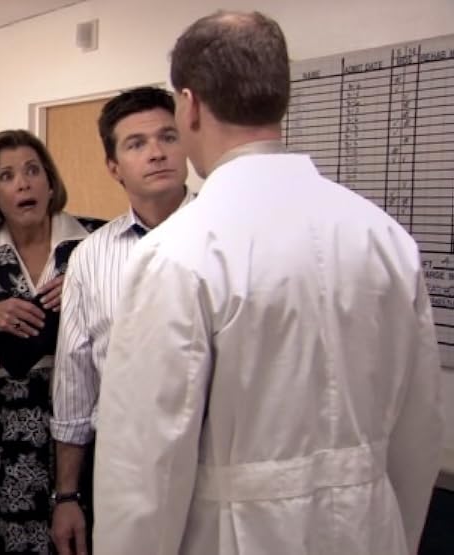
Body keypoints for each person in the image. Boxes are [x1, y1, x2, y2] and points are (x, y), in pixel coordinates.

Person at [93, 11, 445, 555]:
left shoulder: (178, 252)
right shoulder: (383, 237)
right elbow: (419, 431)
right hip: (371, 528)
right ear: (281, 97)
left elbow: (145, 472)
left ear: (189, 105)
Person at [50, 86, 192, 555]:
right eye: (136, 144)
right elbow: (75, 380)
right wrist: (67, 495)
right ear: (113, 166)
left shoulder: (222, 239)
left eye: (167, 137)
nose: (156, 153)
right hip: (124, 472)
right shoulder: (91, 257)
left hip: (211, 472)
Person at [0, 129, 103, 554]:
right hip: (11, 431)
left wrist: (89, 287)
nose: (24, 182)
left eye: (33, 171)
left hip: (93, 418)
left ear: (50, 183)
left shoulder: (96, 243)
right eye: (8, 175)